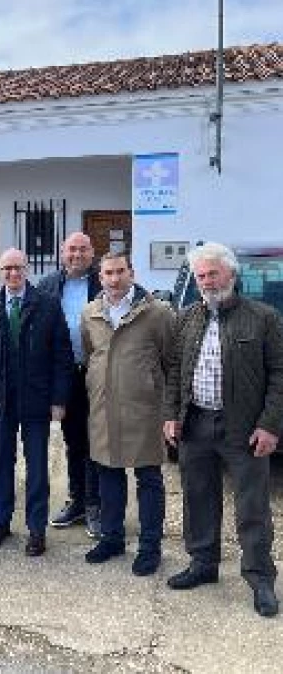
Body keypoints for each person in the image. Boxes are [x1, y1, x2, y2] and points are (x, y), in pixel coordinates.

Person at [164, 242, 283, 617]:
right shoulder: (186, 318)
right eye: (200, 275)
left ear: (231, 275)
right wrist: (171, 414)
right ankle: (203, 564)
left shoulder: (263, 318)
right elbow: (174, 372)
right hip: (196, 422)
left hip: (244, 428)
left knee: (252, 507)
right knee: (198, 497)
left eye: (212, 273)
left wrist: (269, 425)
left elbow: (280, 375)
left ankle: (260, 578)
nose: (206, 281)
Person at [0, 247, 73, 557]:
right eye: (7, 269)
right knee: (2, 464)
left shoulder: (47, 304)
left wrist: (59, 398)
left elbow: (62, 355)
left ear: (26, 269)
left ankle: (36, 529)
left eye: (17, 268)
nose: (13, 274)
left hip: (37, 400)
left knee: (38, 467)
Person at [80, 252, 173, 575]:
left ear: (131, 273)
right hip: (104, 409)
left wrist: (166, 408)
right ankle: (112, 538)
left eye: (121, 271)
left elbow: (169, 361)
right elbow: (92, 355)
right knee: (108, 476)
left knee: (148, 479)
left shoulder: (157, 313)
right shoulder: (90, 313)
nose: (115, 279)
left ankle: (150, 547)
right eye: (108, 273)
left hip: (144, 410)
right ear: (100, 277)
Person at [37, 231, 102, 538]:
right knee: (73, 440)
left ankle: (95, 505)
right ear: (62, 253)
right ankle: (77, 499)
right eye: (71, 250)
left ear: (92, 253)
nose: (77, 255)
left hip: (99, 374)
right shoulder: (48, 285)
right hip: (65, 375)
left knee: (97, 440)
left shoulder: (105, 280)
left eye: (83, 250)